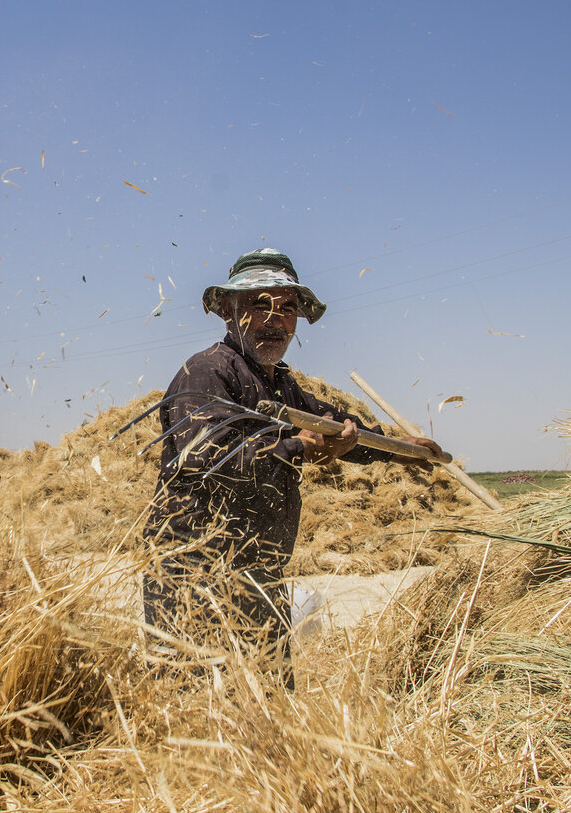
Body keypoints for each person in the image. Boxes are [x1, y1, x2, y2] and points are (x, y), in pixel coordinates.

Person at [141, 248, 442, 686]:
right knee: (195, 706)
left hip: (257, 572)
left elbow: (338, 428)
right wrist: (296, 448)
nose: (274, 319)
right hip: (195, 575)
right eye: (258, 304)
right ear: (227, 310)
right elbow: (204, 458)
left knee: (267, 704)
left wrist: (397, 448)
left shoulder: (278, 382)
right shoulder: (205, 373)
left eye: (286, 308)